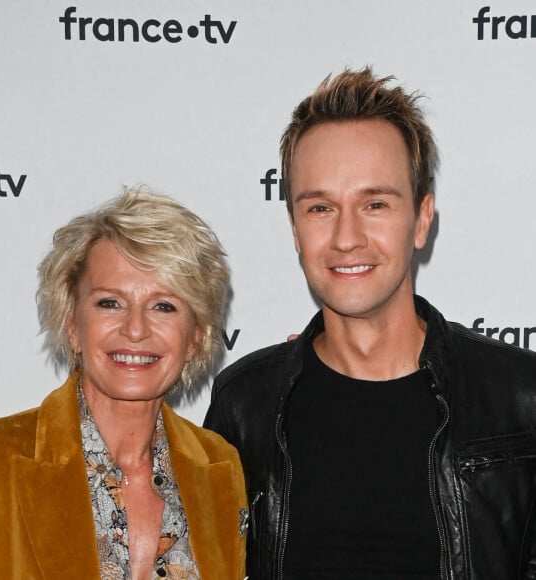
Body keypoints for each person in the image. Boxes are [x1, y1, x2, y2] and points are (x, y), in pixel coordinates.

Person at [204, 67, 536, 579]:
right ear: (294, 228)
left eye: (375, 203)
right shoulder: (244, 404)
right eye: (320, 207)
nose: (346, 237)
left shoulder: (520, 395)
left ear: (423, 219)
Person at [0, 188, 248, 580]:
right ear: (72, 323)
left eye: (164, 306)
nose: (135, 329)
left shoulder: (221, 467)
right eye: (110, 302)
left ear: (195, 337)